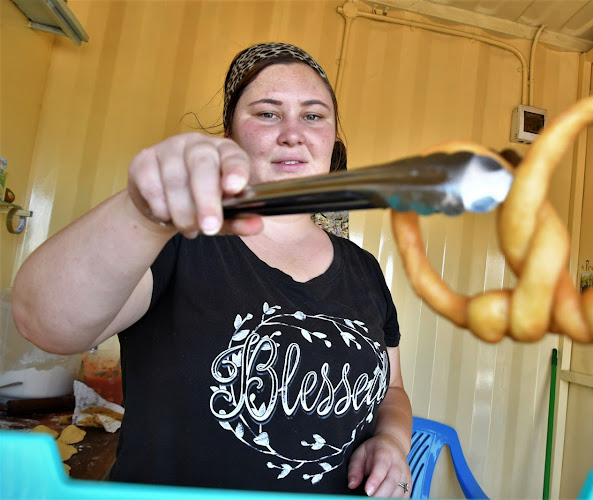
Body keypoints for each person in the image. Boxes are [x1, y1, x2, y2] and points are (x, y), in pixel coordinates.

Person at [12, 42, 413, 497]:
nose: (292, 133)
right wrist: (143, 213)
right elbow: (44, 323)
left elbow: (392, 390)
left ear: (333, 140)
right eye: (266, 113)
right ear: (229, 138)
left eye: (313, 115)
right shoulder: (176, 240)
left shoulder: (364, 270)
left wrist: (392, 440)